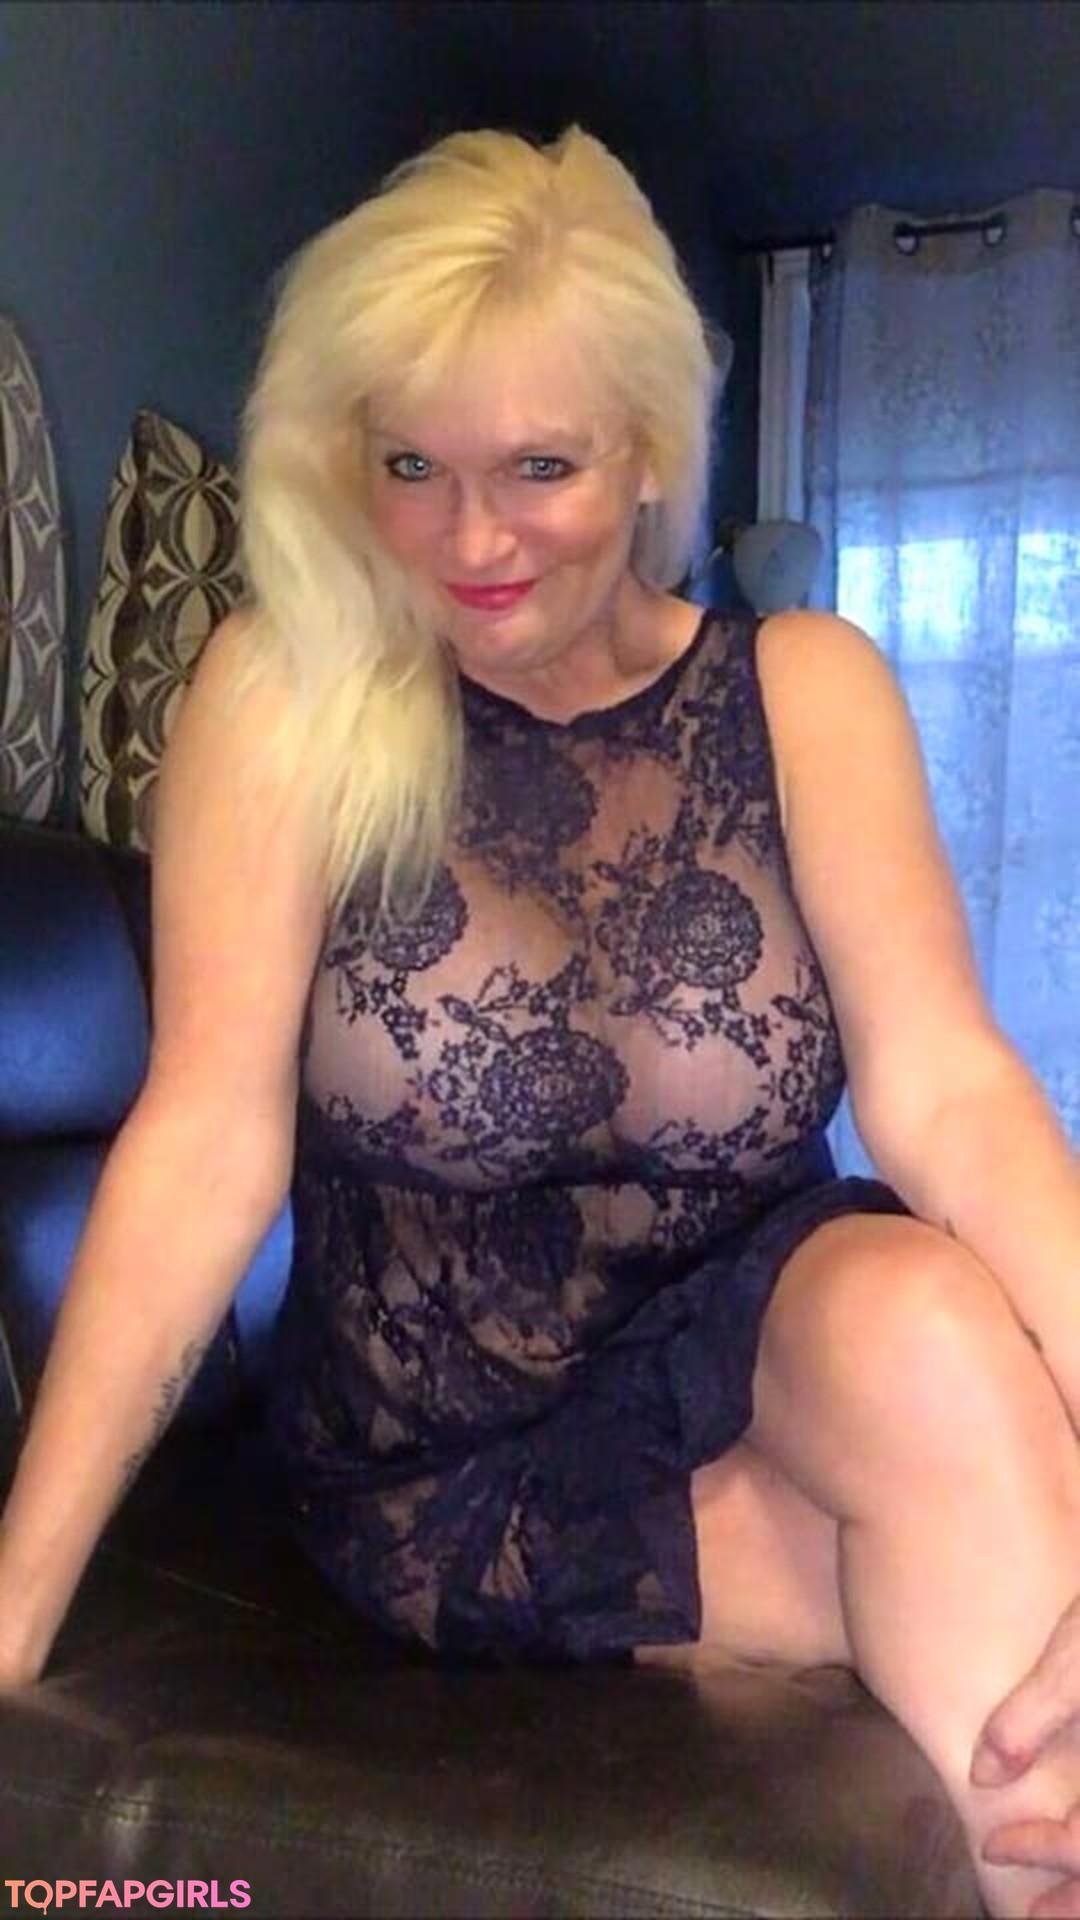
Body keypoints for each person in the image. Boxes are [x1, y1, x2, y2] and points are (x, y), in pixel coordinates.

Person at [0, 121, 1078, 1918]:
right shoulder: (287, 701)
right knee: (1014, 1596)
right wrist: (15, 1598)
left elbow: (951, 1091)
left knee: (926, 1315)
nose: (471, 538)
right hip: (452, 1452)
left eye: (541, 466)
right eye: (411, 464)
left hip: (776, 1365)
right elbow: (200, 1146)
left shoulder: (805, 694)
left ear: (648, 447)